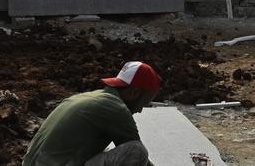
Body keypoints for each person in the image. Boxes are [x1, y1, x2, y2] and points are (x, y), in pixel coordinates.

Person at [22, 61, 160, 166]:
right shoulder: (116, 108)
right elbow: (139, 159)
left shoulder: (85, 97)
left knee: (107, 149)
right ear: (133, 93)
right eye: (144, 102)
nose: (140, 110)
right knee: (136, 150)